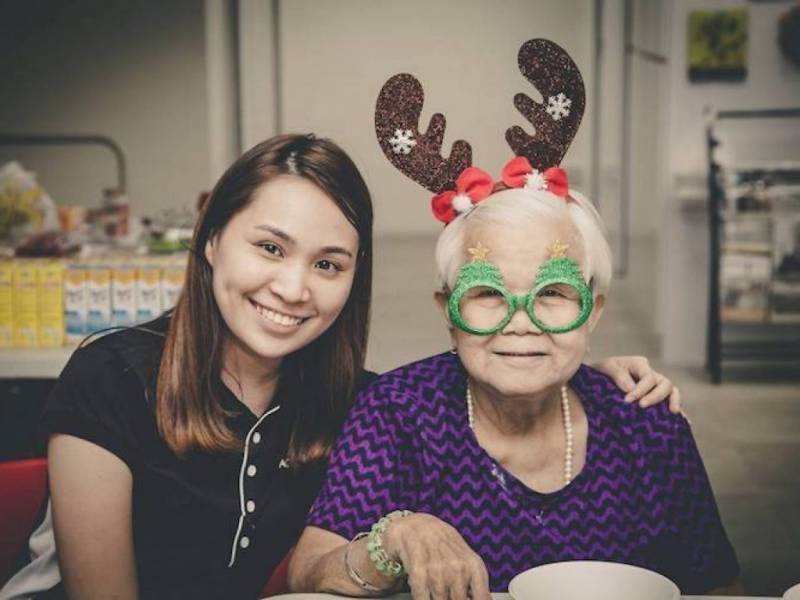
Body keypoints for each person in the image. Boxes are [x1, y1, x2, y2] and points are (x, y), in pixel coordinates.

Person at [0, 133, 676, 600]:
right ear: (210, 241)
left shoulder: (358, 403)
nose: (294, 288)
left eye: (328, 264)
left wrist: (583, 365)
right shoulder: (110, 377)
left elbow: (482, 369)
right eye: (270, 247)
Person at [288, 40, 741, 598]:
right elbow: (307, 570)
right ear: (447, 312)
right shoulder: (398, 412)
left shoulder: (650, 425)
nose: (520, 322)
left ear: (592, 310)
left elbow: (719, 589)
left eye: (552, 292)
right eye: (487, 294)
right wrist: (396, 536)